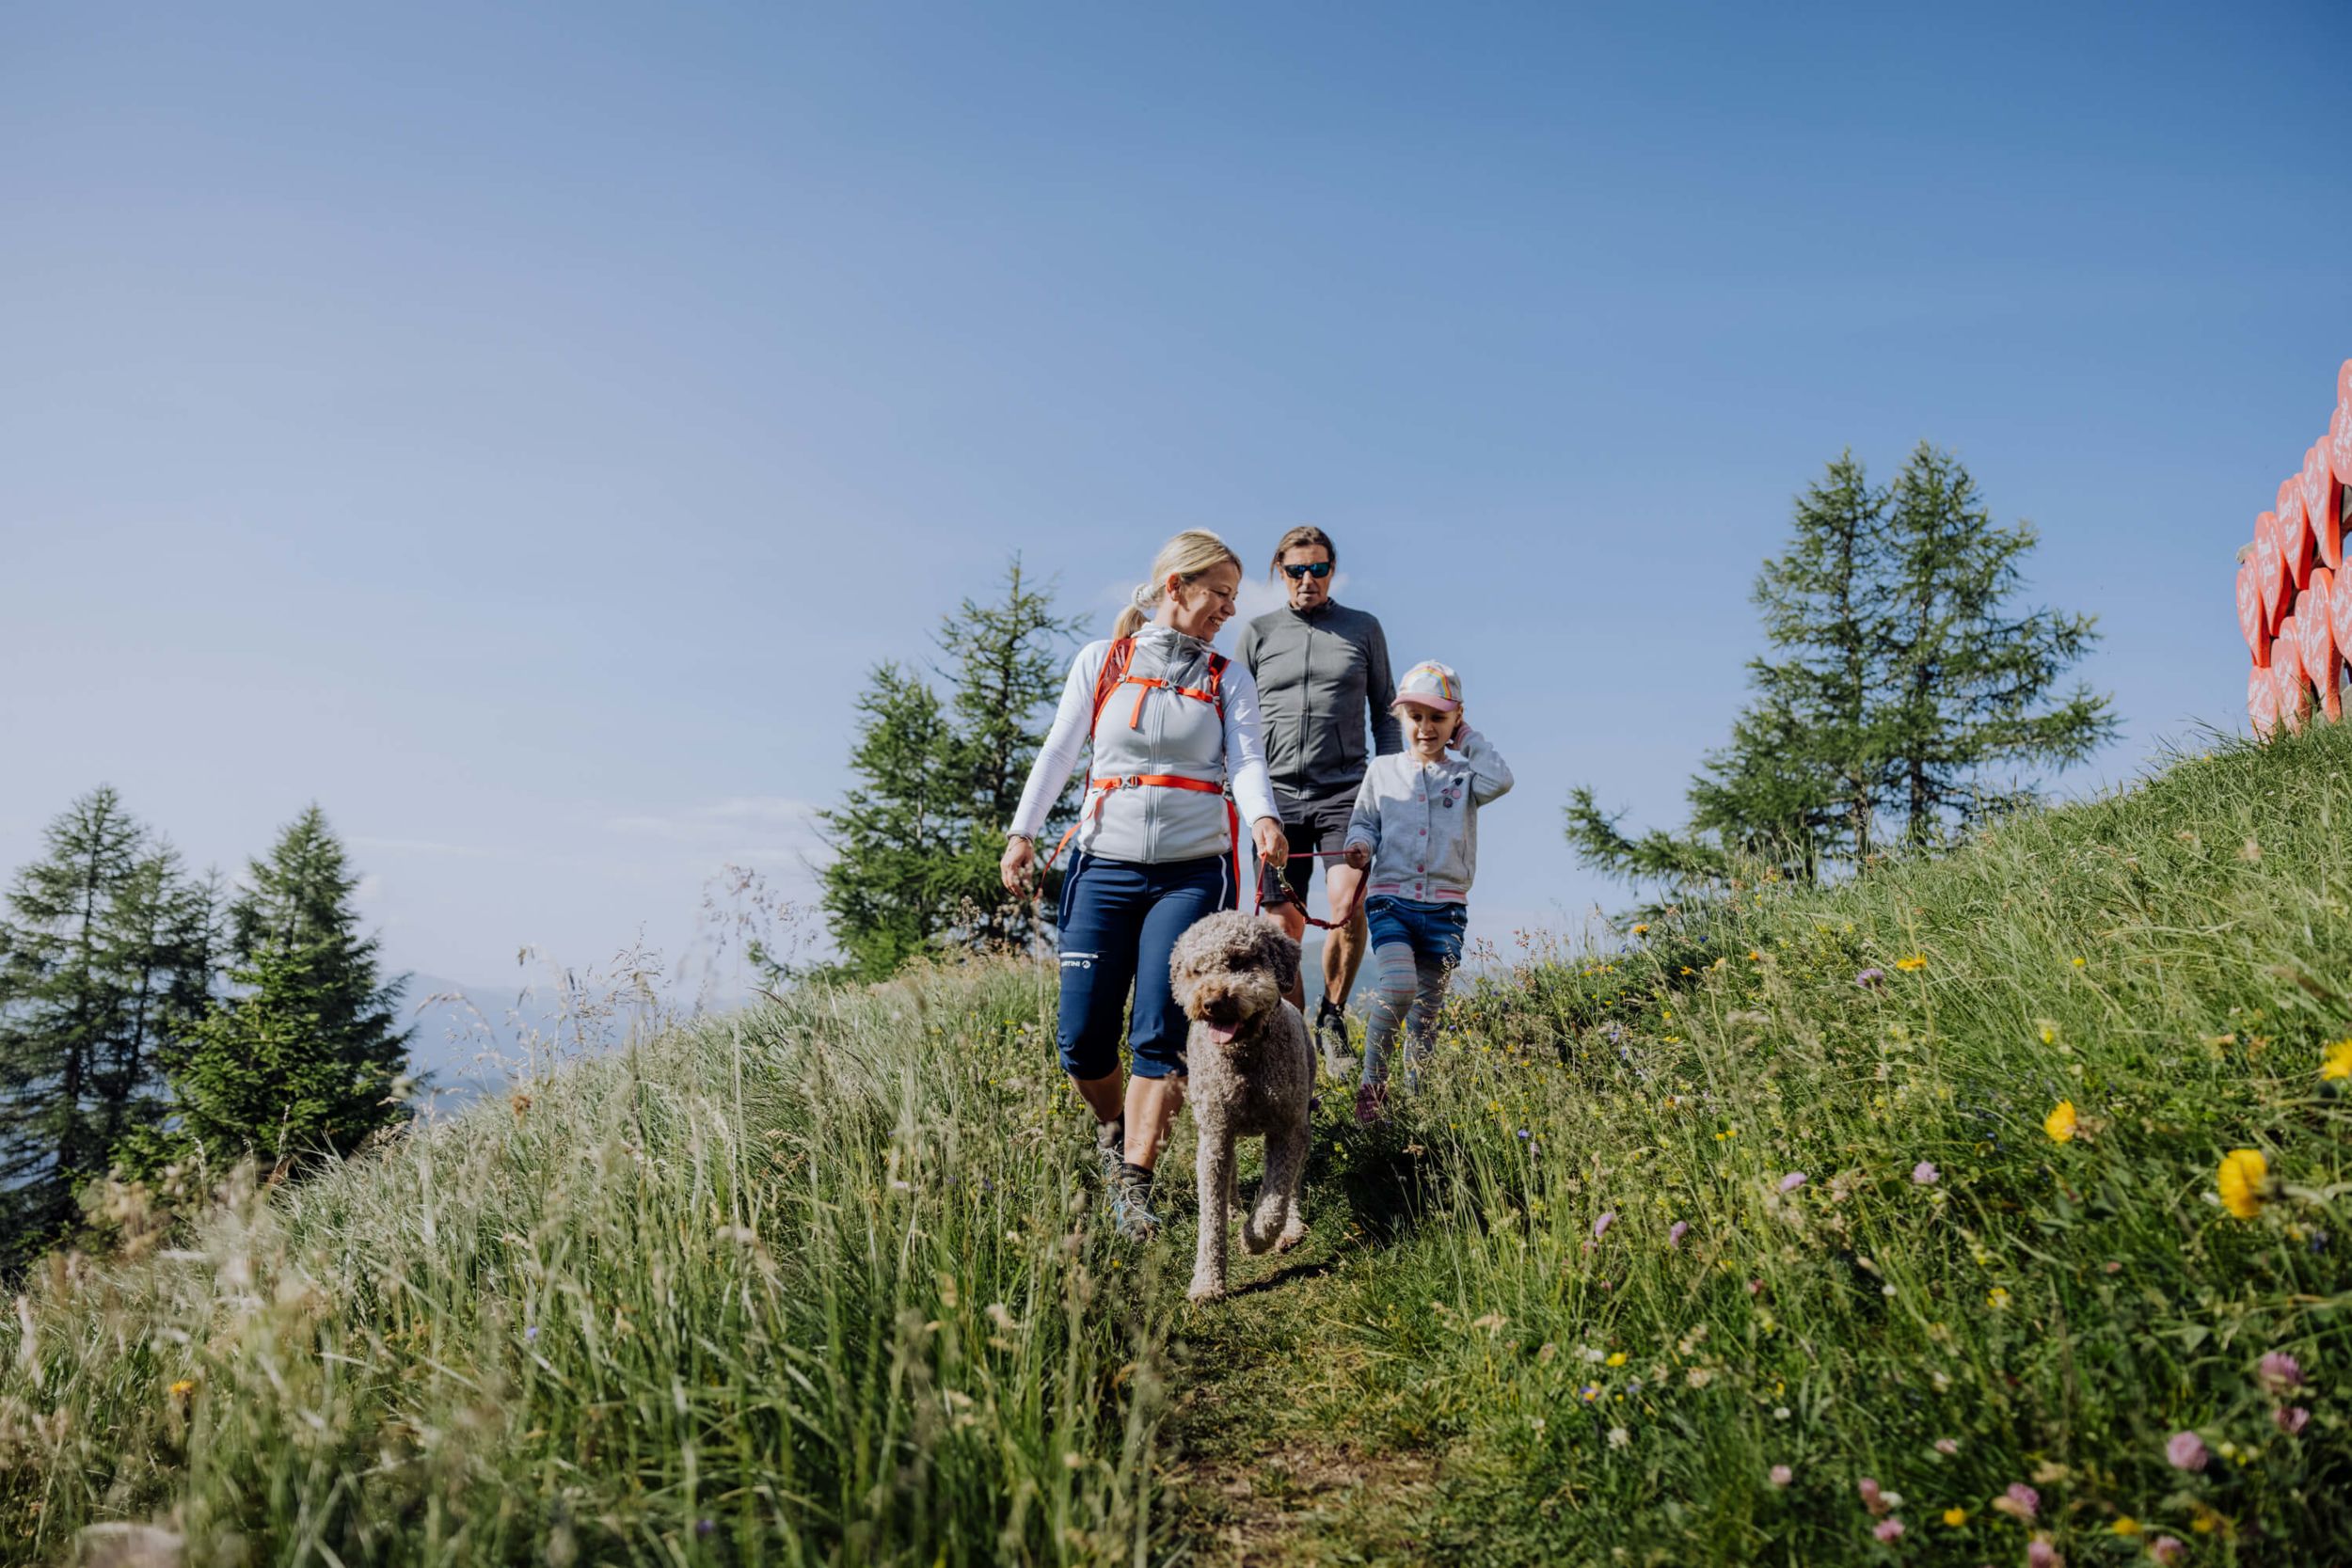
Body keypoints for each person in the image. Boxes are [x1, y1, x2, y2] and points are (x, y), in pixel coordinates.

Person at [1001, 530, 1287, 1239]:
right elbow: (1061, 748)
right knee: (1081, 1039)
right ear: (1176, 588)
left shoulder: (1227, 676)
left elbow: (1247, 759)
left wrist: (1263, 818)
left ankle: (1134, 1182)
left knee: (1159, 1032)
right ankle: (1113, 1127)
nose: (1228, 608)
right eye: (1218, 594)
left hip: (1193, 871)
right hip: (1104, 862)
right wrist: (1022, 831)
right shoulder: (1103, 662)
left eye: (1233, 596)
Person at [1233, 526, 1399, 1073]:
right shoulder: (1257, 633)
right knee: (1283, 929)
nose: (1308, 580)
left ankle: (1332, 1014)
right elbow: (1236, 721)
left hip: (1345, 789)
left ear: (1333, 571)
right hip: (1274, 796)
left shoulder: (1363, 629)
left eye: (1319, 569)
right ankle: (1297, 1040)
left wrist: (1393, 781)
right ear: (1279, 572)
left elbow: (1386, 711)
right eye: (1296, 570)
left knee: (1349, 904)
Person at [1341, 660, 1512, 1124]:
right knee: (1399, 986)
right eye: (1415, 717)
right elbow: (1364, 823)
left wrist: (1468, 738)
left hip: (1445, 908)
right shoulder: (1382, 771)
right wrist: (1359, 846)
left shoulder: (1465, 775)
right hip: (1391, 901)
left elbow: (1503, 779)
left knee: (1427, 1013)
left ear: (1457, 719)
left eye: (1438, 717)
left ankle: (1419, 1102)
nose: (1426, 728)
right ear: (1401, 719)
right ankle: (1373, 1085)